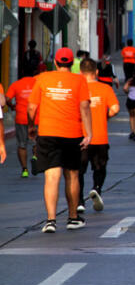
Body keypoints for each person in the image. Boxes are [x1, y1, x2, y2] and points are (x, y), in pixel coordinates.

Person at [28, 47, 91, 233]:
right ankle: (72, 218)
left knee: (51, 176)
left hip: (47, 133)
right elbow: (85, 107)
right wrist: (88, 133)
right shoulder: (79, 80)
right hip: (72, 134)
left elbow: (32, 107)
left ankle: (51, 220)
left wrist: (32, 126)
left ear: (55, 62)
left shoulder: (43, 78)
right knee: (71, 175)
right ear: (72, 64)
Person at [79, 58, 119, 212]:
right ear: (96, 72)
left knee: (79, 171)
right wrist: (105, 115)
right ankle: (96, 188)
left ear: (81, 73)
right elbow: (115, 108)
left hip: (81, 137)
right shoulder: (105, 89)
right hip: (100, 137)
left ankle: (80, 201)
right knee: (99, 167)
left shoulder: (77, 89)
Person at [6, 69, 36, 177]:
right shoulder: (37, 84)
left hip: (21, 119)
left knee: (22, 145)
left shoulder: (16, 85)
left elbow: (7, 99)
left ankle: (25, 170)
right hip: (36, 118)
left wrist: (12, 106)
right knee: (37, 142)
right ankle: (35, 157)